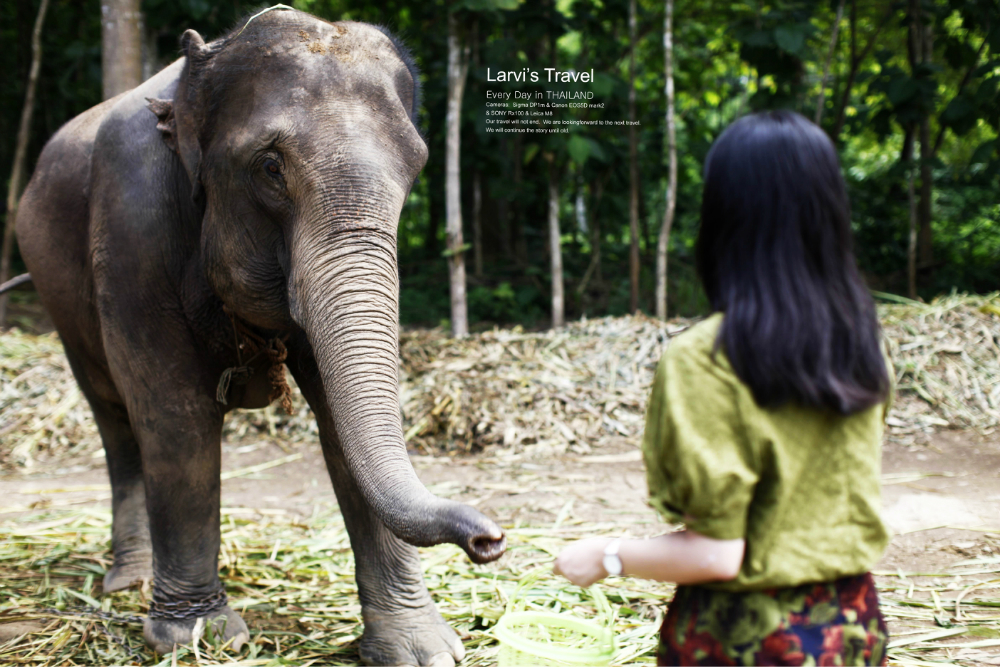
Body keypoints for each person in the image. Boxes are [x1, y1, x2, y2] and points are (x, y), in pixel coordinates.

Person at [554, 110, 893, 666]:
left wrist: (605, 557)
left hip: (748, 640)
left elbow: (717, 554)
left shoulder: (704, 360)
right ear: (830, 214)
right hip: (853, 629)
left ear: (723, 217)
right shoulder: (863, 345)